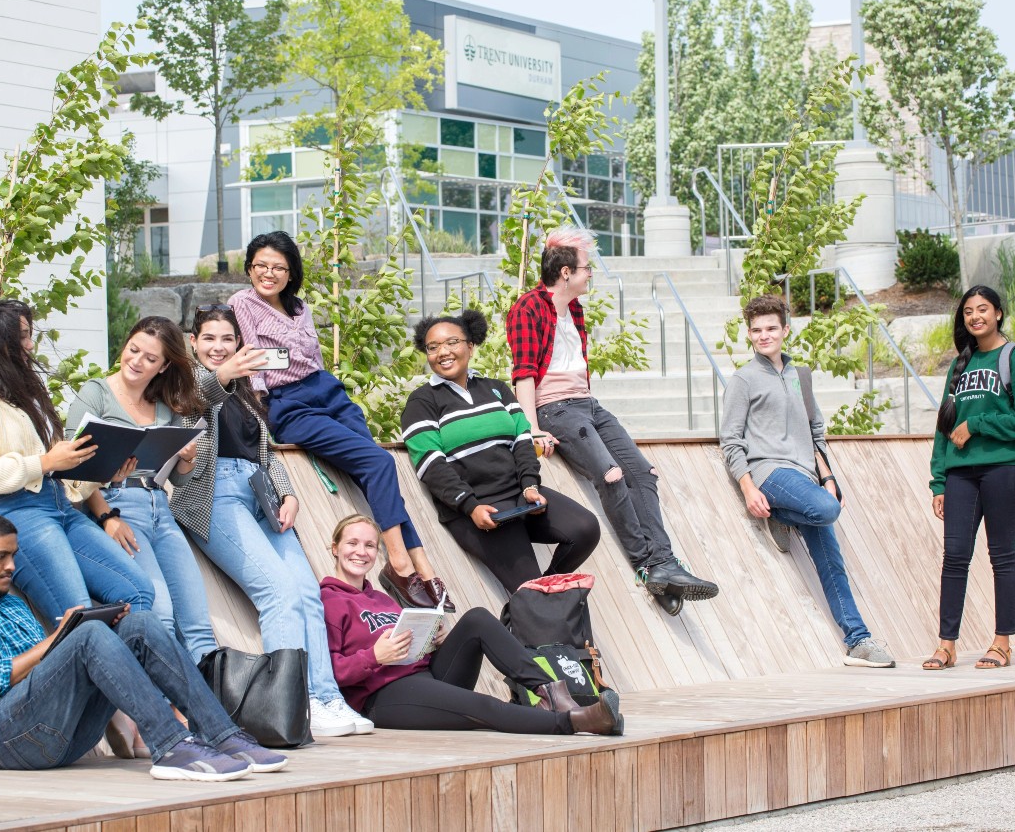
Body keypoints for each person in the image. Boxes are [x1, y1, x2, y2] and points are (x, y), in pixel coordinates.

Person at [0, 511, 288, 780]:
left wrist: (105, 628)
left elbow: (50, 675)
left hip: (64, 733)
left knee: (138, 624)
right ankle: (172, 745)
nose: (12, 565)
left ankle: (223, 734)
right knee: (86, 635)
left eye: (14, 555)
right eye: (1, 556)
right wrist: (62, 638)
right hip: (5, 741)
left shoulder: (11, 604)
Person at [172, 303, 371, 738]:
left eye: (228, 339)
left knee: (306, 591)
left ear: (239, 343)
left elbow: (262, 451)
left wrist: (290, 492)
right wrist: (223, 377)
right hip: (213, 495)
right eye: (209, 338)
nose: (219, 347)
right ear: (193, 341)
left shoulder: (244, 387)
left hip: (260, 490)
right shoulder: (183, 382)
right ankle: (291, 704)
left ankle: (326, 698)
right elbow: (191, 408)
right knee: (278, 591)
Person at [228, 230, 451, 611]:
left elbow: (312, 360)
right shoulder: (242, 303)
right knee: (379, 461)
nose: (268, 273)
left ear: (291, 272)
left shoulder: (300, 308)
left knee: (379, 471)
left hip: (328, 391)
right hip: (289, 403)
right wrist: (262, 416)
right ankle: (401, 566)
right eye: (260, 266)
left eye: (278, 267)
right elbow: (252, 366)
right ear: (249, 269)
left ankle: (422, 565)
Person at [506, 226, 718, 615]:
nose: (591, 275)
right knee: (611, 475)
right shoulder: (528, 308)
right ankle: (647, 567)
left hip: (588, 405)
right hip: (555, 408)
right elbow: (523, 374)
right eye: (587, 268)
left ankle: (664, 563)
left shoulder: (576, 311)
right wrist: (532, 428)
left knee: (643, 472)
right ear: (566, 273)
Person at [0, 298, 153, 624]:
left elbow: (59, 468)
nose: (30, 344)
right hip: (13, 514)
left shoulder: (25, 386)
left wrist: (105, 472)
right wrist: (42, 462)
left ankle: (128, 671)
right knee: (79, 616)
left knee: (138, 590)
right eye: (23, 337)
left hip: (59, 507)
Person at [319, 514, 623, 735]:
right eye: (353, 543)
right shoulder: (328, 601)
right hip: (383, 697)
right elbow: (330, 674)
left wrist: (429, 642)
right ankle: (579, 721)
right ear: (335, 548)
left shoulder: (381, 599)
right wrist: (375, 657)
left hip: (424, 677)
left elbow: (408, 654)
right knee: (485, 707)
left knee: (476, 618)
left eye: (370, 545)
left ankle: (553, 692)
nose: (361, 551)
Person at [720, 294, 895, 668]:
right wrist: (748, 487)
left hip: (804, 475)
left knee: (831, 559)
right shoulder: (743, 379)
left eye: (771, 328)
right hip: (769, 472)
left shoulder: (801, 375)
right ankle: (780, 515)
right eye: (756, 330)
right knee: (826, 508)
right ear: (749, 334)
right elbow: (731, 440)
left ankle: (858, 640)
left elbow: (816, 430)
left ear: (785, 330)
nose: (764, 336)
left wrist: (828, 475)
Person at [401, 309, 600, 593]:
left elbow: (521, 439)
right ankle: (535, 598)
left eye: (452, 342)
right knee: (532, 590)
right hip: (479, 510)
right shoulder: (421, 401)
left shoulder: (496, 390)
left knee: (585, 528)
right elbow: (431, 466)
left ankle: (540, 592)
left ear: (470, 346)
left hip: (519, 495)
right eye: (433, 348)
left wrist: (530, 485)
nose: (442, 352)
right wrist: (470, 506)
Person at [65, 316, 218, 666]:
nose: (137, 361)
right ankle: (165, 712)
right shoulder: (96, 393)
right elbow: (74, 470)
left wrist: (186, 461)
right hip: (117, 505)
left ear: (164, 366)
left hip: (159, 508)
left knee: (196, 620)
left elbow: (176, 481)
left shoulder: (164, 407)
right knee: (159, 613)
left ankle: (210, 709)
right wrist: (106, 517)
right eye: (133, 350)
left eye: (150, 359)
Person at [923, 286, 1015, 671]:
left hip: (1005, 468)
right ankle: (947, 645)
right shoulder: (960, 365)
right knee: (954, 557)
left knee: (1001, 554)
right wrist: (939, 481)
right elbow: (944, 427)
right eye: (967, 312)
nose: (975, 316)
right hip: (961, 473)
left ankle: (1002, 642)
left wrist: (976, 423)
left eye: (983, 309)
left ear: (998, 313)